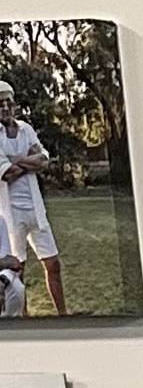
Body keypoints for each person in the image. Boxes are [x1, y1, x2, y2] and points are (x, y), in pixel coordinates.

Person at [0, 86, 66, 317]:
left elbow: (44, 159)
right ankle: (24, 320)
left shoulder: (25, 129)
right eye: (0, 103)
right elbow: (6, 174)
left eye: (9, 101)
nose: (5, 107)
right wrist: (31, 161)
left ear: (14, 103)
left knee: (53, 264)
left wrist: (17, 160)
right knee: (18, 270)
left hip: (36, 211)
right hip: (11, 214)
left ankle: (63, 315)